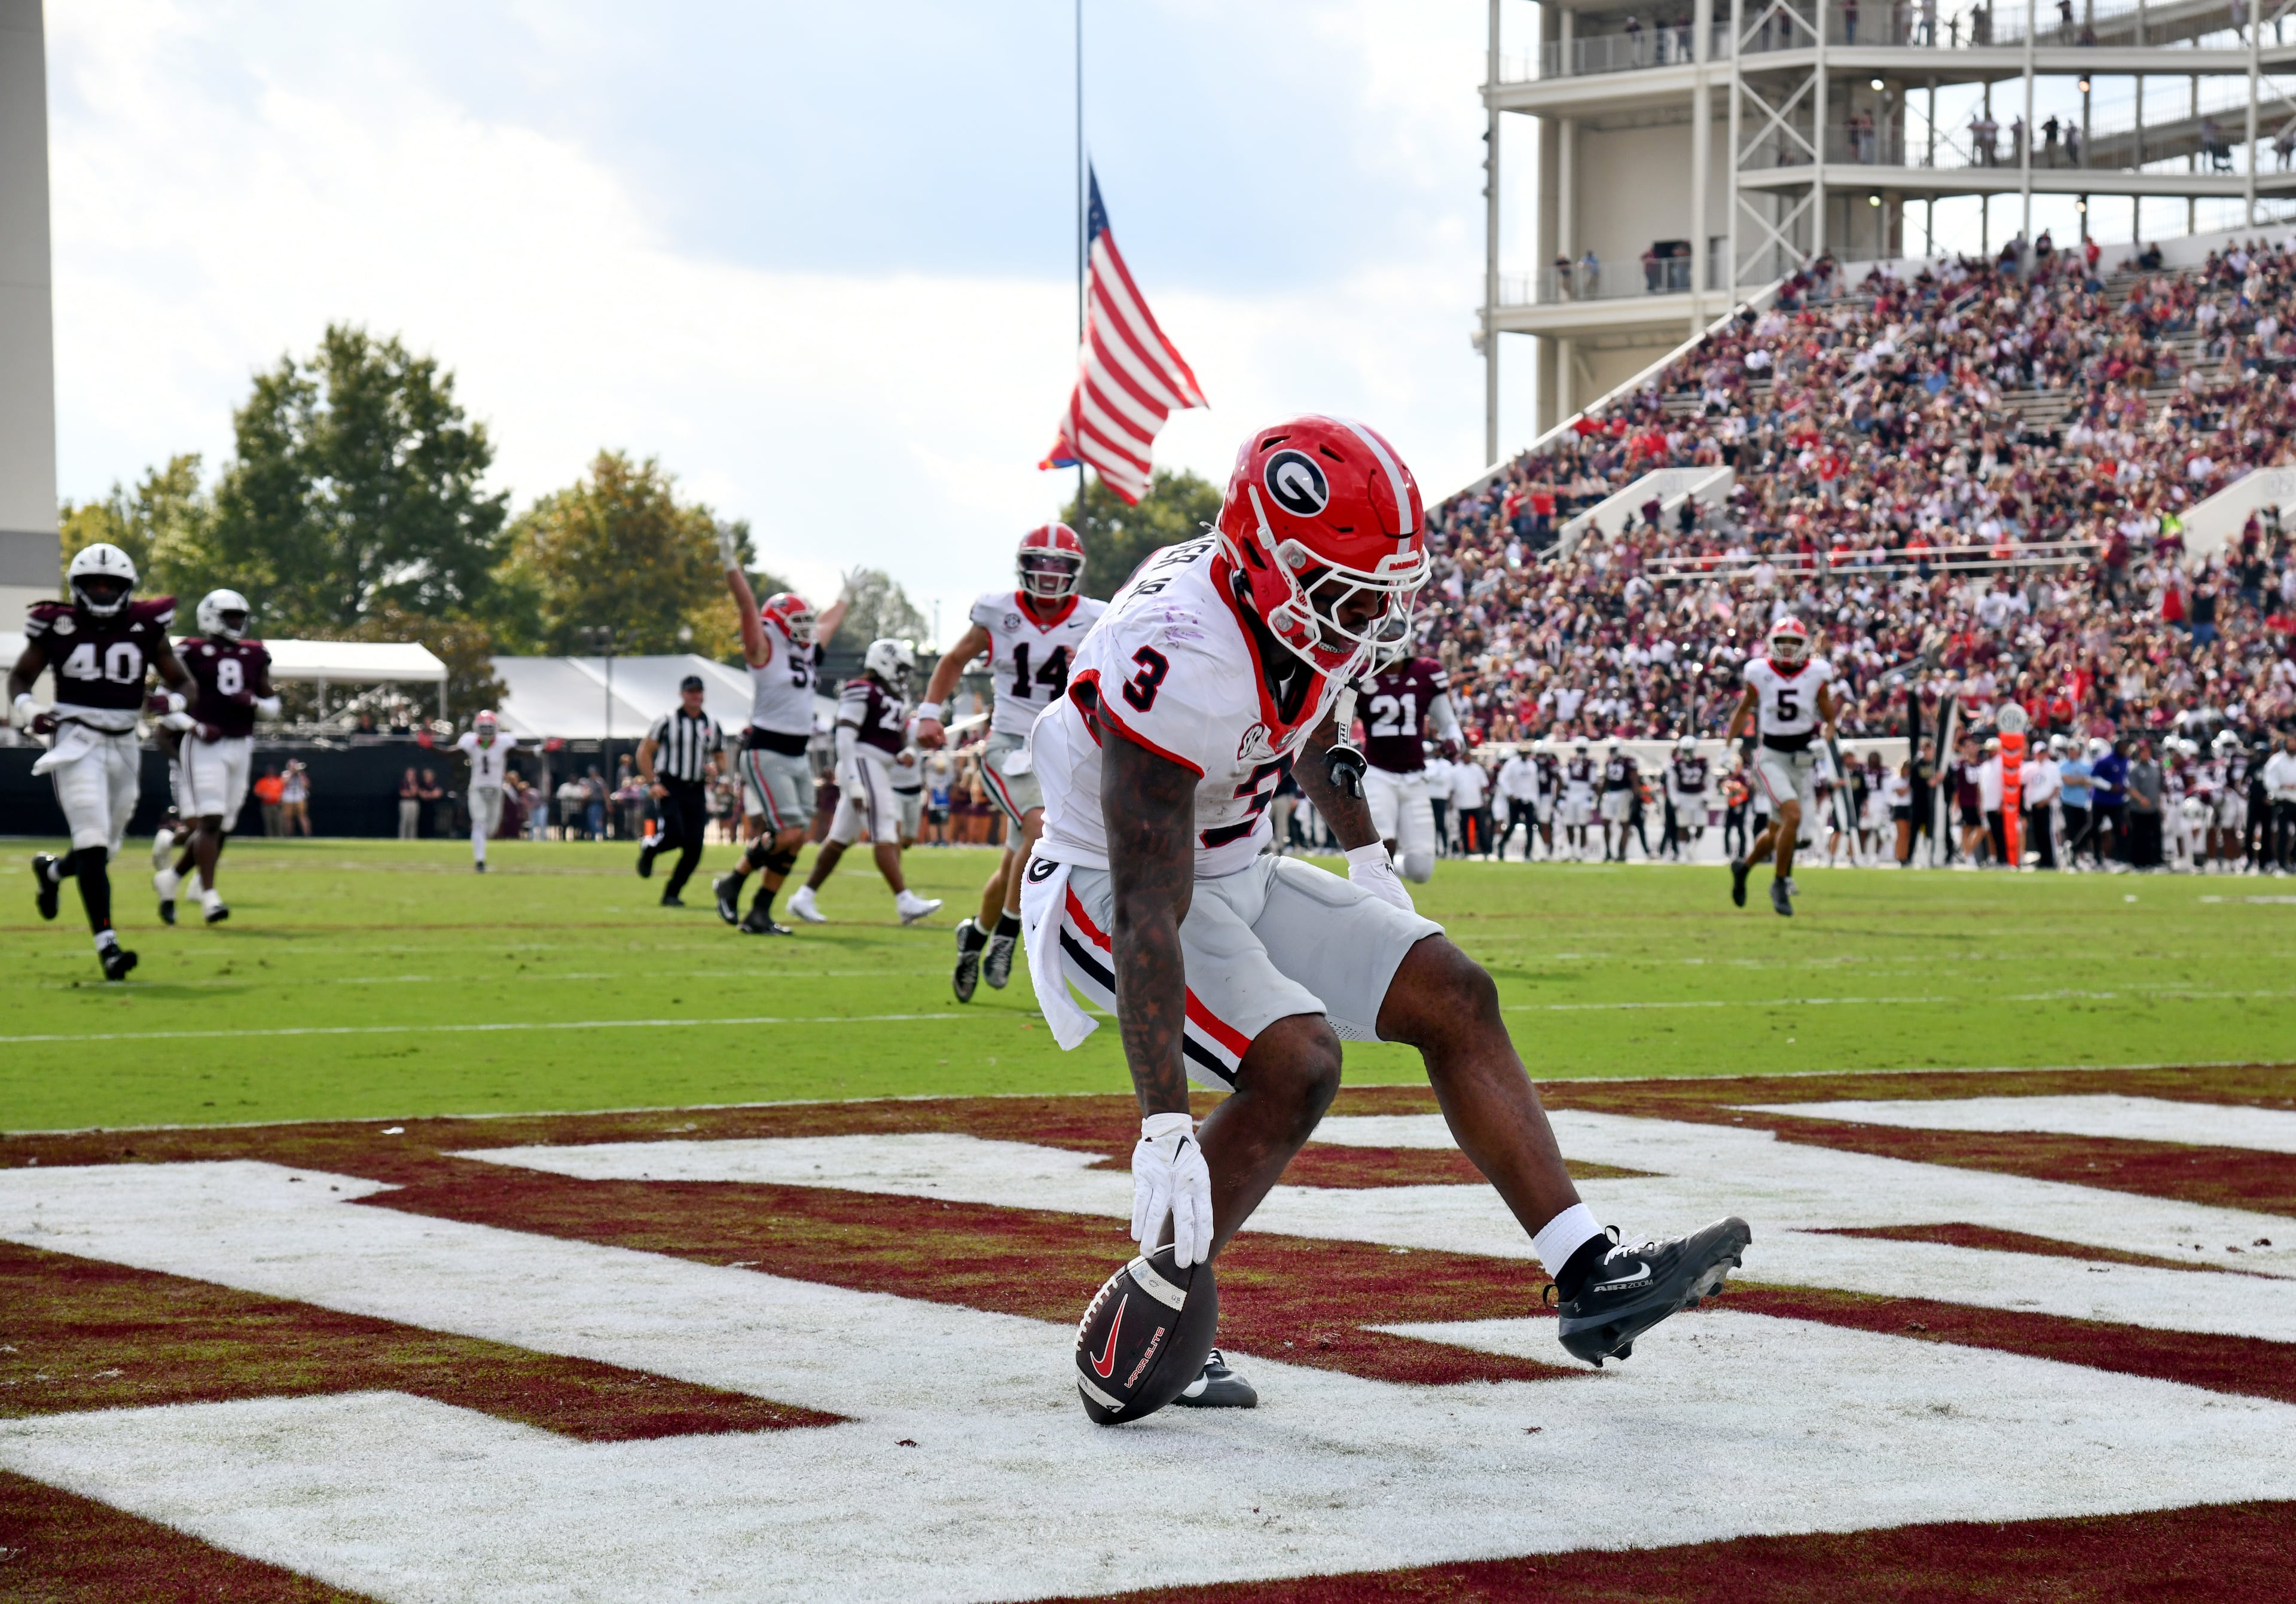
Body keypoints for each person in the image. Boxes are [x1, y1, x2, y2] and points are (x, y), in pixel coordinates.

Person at [1018, 416, 1750, 1413]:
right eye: (1345, 587)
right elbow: (1152, 899)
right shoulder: (1178, 648)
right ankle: (1152, 1318)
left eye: (1375, 589)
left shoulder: (1291, 607)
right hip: (1111, 883)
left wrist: (1366, 851)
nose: (1366, 611)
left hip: (1238, 860)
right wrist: (1161, 1122)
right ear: (1272, 562)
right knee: (1297, 1062)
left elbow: (1313, 715)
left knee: (1454, 992)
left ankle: (1589, 1275)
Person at [915, 524, 1105, 1000]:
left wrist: (1083, 661)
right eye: (1040, 562)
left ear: (1074, 572)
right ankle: (1008, 931)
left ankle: (974, 934)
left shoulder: (1097, 619)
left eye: (1059, 565)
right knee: (1041, 830)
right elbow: (955, 659)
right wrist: (928, 712)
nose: (1048, 573)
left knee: (1011, 865)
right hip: (1010, 745)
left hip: (1063, 748)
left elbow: (1113, 677)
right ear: (1024, 566)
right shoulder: (999, 611)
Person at [8, 542, 194, 980]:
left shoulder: (147, 626)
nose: (104, 591)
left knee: (102, 850)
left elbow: (183, 679)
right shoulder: (58, 624)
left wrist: (176, 698)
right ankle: (108, 947)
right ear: (77, 587)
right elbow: (19, 676)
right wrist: (29, 710)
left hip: (127, 744)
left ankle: (52, 872)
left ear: (128, 588)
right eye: (95, 584)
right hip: (76, 741)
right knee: (91, 841)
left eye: (112, 584)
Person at [711, 528, 851, 934]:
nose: (806, 629)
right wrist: (730, 565)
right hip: (765, 749)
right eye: (797, 623)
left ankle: (759, 911)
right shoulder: (764, 647)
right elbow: (746, 606)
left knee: (797, 836)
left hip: (796, 753)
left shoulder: (804, 650)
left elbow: (828, 624)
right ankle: (732, 881)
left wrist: (846, 597)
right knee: (787, 831)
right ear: (777, 624)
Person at [786, 638, 943, 927]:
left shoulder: (892, 696)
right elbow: (845, 737)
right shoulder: (861, 689)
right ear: (885, 662)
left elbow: (895, 739)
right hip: (861, 763)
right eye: (901, 668)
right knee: (885, 828)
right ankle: (904, 900)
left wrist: (907, 751)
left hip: (878, 766)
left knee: (839, 840)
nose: (904, 676)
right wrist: (852, 779)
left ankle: (803, 897)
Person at [155, 589, 279, 924]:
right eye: (231, 617)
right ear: (211, 616)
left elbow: (273, 706)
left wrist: (253, 702)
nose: (238, 623)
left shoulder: (255, 653)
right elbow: (163, 702)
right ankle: (210, 896)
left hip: (241, 744)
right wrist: (195, 727)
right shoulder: (191, 652)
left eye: (241, 617)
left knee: (223, 825)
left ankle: (173, 878)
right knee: (209, 821)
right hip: (204, 745)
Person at [1726, 615, 1839, 917]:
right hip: (1771, 755)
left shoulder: (1816, 673)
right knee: (1794, 815)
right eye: (1783, 642)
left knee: (1777, 831)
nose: (1788, 649)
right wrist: (1727, 747)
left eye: (1794, 643)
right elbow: (1743, 709)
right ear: (1771, 645)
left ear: (1804, 646)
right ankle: (1780, 881)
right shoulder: (1759, 671)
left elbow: (1830, 719)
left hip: (1801, 759)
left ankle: (1744, 868)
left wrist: (1824, 741)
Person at [1358, 639, 1463, 884]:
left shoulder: (1426, 672)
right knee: (1383, 843)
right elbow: (1340, 721)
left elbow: (1448, 723)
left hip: (1416, 776)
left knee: (1420, 870)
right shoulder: (1360, 674)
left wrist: (1455, 742)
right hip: (1376, 771)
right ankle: (1381, 901)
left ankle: (1392, 873)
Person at [637, 674, 724, 908]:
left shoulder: (712, 724)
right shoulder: (667, 721)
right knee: (676, 834)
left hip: (696, 788)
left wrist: (716, 769)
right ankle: (650, 849)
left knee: (695, 847)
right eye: (691, 691)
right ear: (682, 694)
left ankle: (672, 893)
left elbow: (720, 757)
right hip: (670, 785)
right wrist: (651, 783)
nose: (696, 695)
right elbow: (645, 751)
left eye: (699, 691)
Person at [453, 711, 517, 872]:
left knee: (491, 829)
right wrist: (432, 747)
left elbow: (521, 752)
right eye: (484, 727)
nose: (487, 731)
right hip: (477, 787)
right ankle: (479, 861)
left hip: (496, 789)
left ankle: (480, 854)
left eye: (490, 727)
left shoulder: (504, 741)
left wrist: (540, 749)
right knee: (479, 823)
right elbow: (452, 753)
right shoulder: (470, 741)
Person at [1660, 735, 1711, 860]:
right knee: (1682, 826)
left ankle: (1691, 849)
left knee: (1701, 826)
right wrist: (1675, 801)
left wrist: (1707, 797)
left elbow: (1711, 781)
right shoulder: (1676, 763)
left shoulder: (1703, 762)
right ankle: (1683, 853)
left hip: (1699, 796)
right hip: (1683, 797)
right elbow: (1671, 784)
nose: (1687, 753)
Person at [1494, 743, 1542, 860]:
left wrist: (1535, 801)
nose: (1525, 755)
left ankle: (1528, 853)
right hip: (1516, 799)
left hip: (1529, 800)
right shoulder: (1512, 764)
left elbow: (1534, 784)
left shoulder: (1532, 765)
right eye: (1523, 753)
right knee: (1512, 825)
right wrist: (1510, 794)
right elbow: (1502, 779)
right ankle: (1501, 845)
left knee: (1530, 826)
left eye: (1527, 753)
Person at [2023, 734, 2062, 869]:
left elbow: (2057, 787)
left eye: (2043, 752)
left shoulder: (2053, 767)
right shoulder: (2029, 767)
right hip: (2034, 804)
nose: (2042, 755)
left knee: (2048, 832)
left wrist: (2046, 800)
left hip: (2048, 804)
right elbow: (2021, 781)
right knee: (2038, 834)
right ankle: (2043, 858)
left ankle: (2051, 859)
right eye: (2039, 752)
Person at [1598, 738, 1640, 861]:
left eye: (1614, 749)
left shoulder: (1629, 761)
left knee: (1624, 823)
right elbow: (1606, 780)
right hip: (1610, 793)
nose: (1612, 752)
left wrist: (1635, 797)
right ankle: (1608, 851)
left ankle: (1622, 852)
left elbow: (1634, 780)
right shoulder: (1609, 761)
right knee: (1606, 822)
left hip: (1624, 793)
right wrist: (1600, 797)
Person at [1559, 738, 1598, 859]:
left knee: (1583, 824)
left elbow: (1593, 782)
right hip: (1571, 794)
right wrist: (1562, 798)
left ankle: (1582, 850)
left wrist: (1590, 798)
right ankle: (1570, 849)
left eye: (1583, 749)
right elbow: (1565, 781)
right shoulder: (1571, 761)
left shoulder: (1591, 763)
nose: (1581, 752)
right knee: (1569, 823)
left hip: (1583, 794)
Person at [2057, 737, 2094, 867]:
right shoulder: (2063, 764)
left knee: (2083, 830)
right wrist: (2081, 780)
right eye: (2070, 750)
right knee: (2071, 830)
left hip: (2083, 802)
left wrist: (2079, 780)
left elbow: (2090, 782)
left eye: (2074, 750)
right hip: (2068, 801)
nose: (2072, 753)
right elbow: (2068, 781)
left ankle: (2079, 854)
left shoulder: (2086, 765)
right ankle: (2072, 856)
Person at [2266, 729, 2296, 872]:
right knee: (2282, 834)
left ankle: (2293, 860)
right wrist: (2283, 786)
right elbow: (2269, 781)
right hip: (2283, 801)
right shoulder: (2276, 761)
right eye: (2291, 742)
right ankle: (2281, 863)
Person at [255, 766, 286, 836]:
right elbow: (257, 792)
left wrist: (281, 797)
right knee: (268, 822)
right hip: (266, 805)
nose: (271, 773)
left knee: (279, 821)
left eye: (272, 772)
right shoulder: (262, 781)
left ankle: (280, 837)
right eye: (269, 772)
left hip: (277, 805)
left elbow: (284, 791)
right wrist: (263, 795)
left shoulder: (279, 781)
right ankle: (269, 837)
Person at [397, 767, 421, 840]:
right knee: (404, 820)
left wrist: (412, 785)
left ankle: (412, 838)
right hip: (405, 803)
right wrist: (410, 793)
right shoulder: (403, 782)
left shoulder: (416, 782)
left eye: (413, 774)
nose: (411, 776)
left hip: (414, 803)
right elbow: (403, 793)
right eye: (409, 774)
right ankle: (402, 838)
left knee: (413, 821)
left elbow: (415, 792)